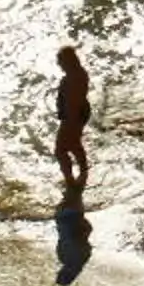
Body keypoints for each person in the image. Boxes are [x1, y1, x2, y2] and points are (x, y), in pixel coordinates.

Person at [53, 43, 91, 199]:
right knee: (74, 144)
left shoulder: (74, 78)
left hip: (73, 115)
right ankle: (83, 170)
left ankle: (70, 181)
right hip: (77, 114)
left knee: (60, 150)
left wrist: (70, 121)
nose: (59, 65)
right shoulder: (77, 75)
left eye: (61, 61)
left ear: (68, 61)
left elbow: (73, 102)